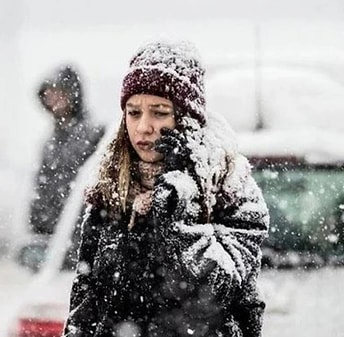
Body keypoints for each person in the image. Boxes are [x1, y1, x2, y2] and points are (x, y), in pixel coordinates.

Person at [63, 42, 269, 337]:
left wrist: (178, 200)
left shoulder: (231, 193)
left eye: (159, 113)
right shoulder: (109, 194)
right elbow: (84, 308)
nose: (143, 127)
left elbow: (221, 290)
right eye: (134, 113)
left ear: (184, 120)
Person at [29, 65, 104, 236]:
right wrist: (39, 231)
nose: (53, 99)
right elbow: (41, 192)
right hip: (57, 242)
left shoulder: (95, 134)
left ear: (73, 93)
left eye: (58, 92)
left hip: (85, 235)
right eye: (47, 94)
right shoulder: (50, 143)